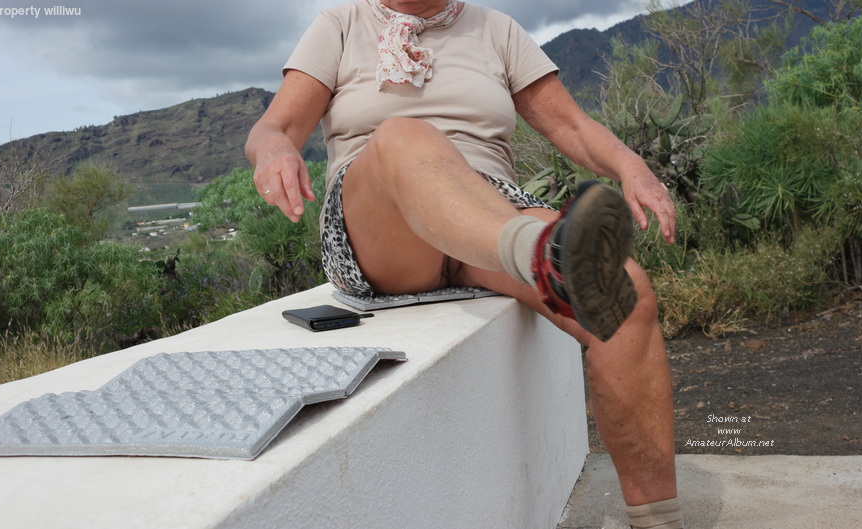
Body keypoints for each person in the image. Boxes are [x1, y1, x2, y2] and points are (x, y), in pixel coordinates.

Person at [246, 1, 683, 527]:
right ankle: (537, 253)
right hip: (381, 219)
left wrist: (631, 167)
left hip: (484, 210)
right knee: (403, 134)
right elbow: (274, 126)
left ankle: (658, 520)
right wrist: (274, 150)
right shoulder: (340, 25)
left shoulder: (497, 30)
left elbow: (571, 125)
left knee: (622, 293)